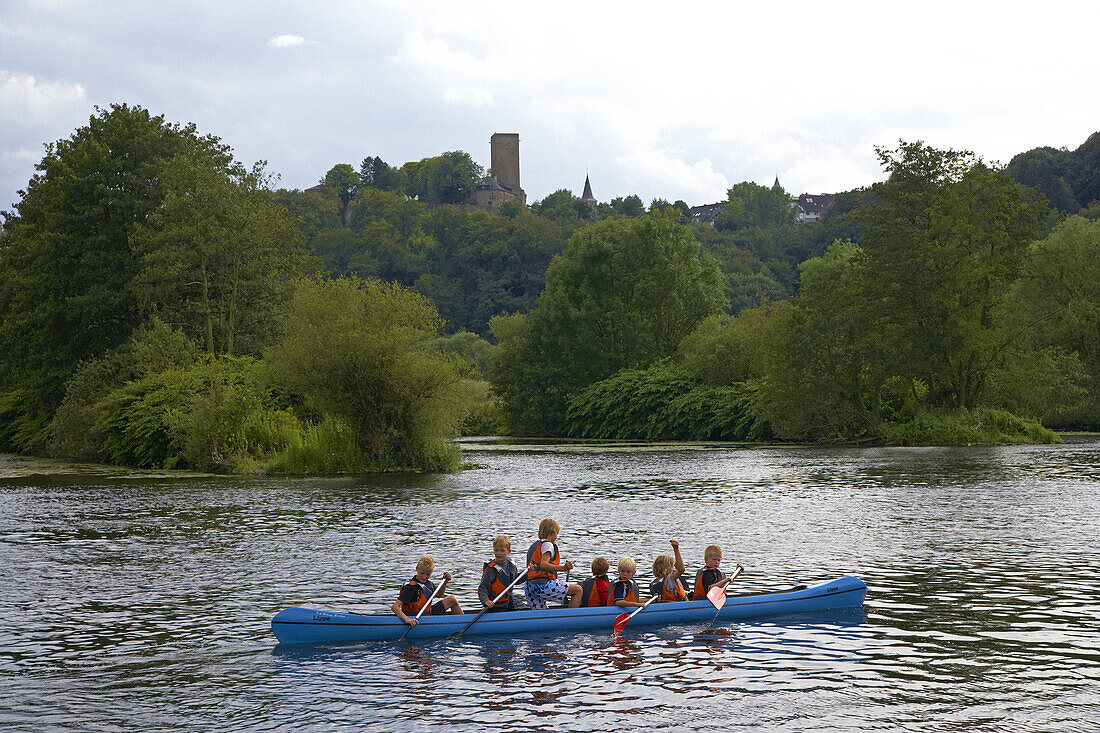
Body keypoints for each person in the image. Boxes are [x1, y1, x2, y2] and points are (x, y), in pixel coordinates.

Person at [524, 518, 583, 610]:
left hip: (530, 587)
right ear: (552, 533)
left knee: (541, 615)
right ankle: (571, 621)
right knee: (578, 590)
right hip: (542, 586)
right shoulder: (548, 545)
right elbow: (544, 565)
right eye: (556, 534)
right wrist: (563, 568)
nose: (556, 537)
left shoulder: (534, 545)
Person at [391, 555, 462, 627]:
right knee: (452, 599)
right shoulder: (411, 588)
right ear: (417, 569)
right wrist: (408, 620)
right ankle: (464, 624)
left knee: (452, 599)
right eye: (422, 573)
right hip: (416, 619)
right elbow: (395, 607)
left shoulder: (428, 583)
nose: (424, 577)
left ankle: (464, 622)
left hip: (427, 614)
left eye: (427, 574)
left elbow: (439, 595)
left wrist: (445, 582)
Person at [478, 535, 524, 612]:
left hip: (508, 602)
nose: (499, 553)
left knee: (525, 608)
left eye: (502, 551)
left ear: (509, 551)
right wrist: (486, 601)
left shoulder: (511, 566)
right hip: (495, 605)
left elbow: (515, 580)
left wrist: (527, 574)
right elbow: (482, 588)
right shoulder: (491, 569)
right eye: (496, 550)